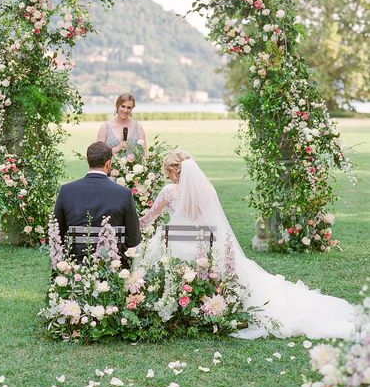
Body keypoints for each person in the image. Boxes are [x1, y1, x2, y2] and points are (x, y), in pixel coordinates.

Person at [138, 150, 357, 340]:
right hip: (205, 249)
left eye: (167, 171)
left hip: (175, 248)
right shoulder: (207, 191)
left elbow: (146, 220)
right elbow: (214, 225)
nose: (167, 175)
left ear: (173, 171)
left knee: (154, 251)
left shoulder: (168, 191)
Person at [54, 141, 141, 262]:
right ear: (108, 164)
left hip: (75, 265)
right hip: (114, 266)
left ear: (88, 161)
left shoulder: (66, 191)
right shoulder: (123, 194)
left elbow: (57, 233)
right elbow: (133, 239)